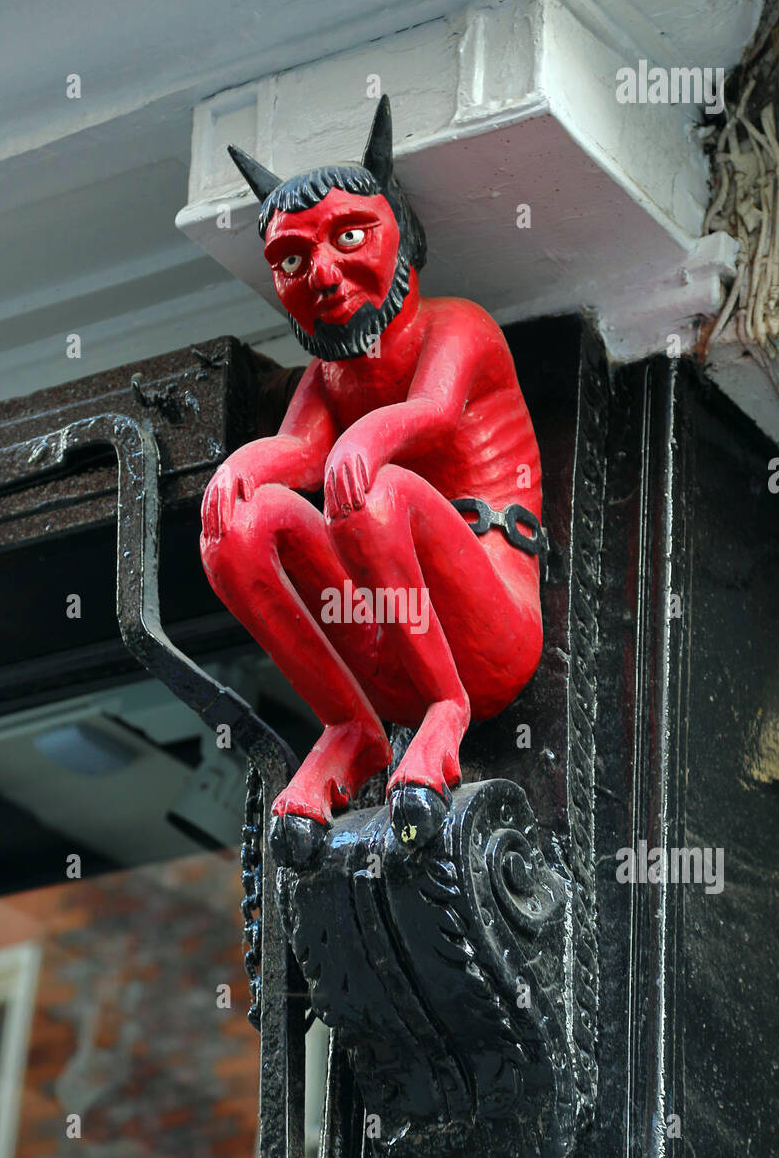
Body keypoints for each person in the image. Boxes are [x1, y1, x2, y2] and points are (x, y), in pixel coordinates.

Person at [200, 97, 545, 866]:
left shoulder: (459, 328)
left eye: (349, 236)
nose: (322, 273)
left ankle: (444, 715)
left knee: (372, 489)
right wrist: (239, 469)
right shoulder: (328, 376)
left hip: (490, 622)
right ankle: (350, 726)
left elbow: (430, 411)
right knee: (243, 529)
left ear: (401, 238)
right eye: (291, 259)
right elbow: (293, 453)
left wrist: (367, 436)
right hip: (392, 631)